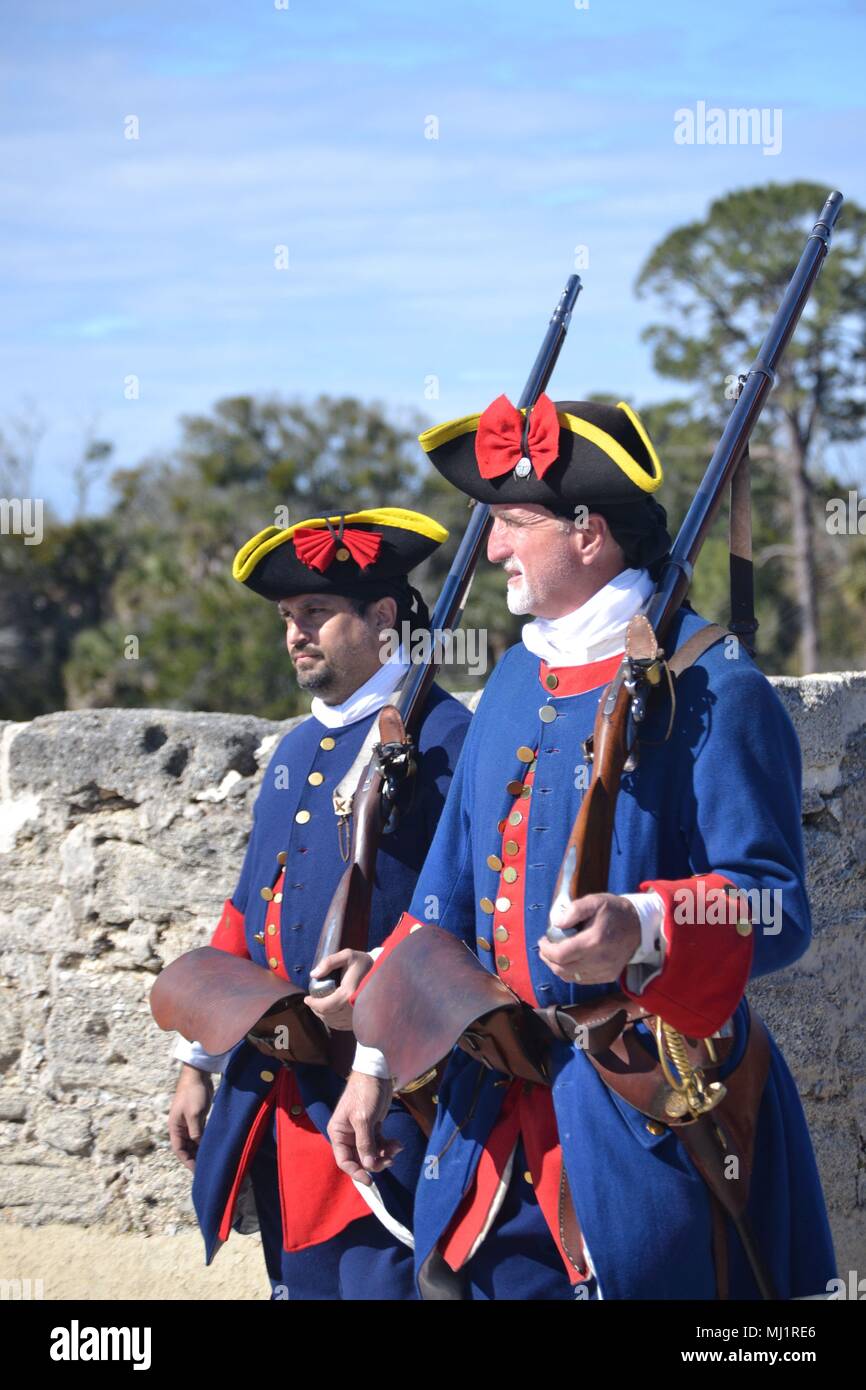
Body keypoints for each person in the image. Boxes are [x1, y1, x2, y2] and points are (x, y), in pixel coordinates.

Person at [310, 393, 837, 1300]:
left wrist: (641, 924)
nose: (498, 548)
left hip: (643, 1112)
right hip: (491, 1113)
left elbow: (774, 905)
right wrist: (375, 1055)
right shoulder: (515, 677)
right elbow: (442, 902)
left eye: (515, 523)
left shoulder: (716, 684)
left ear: (589, 532)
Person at [166, 506, 471, 1300]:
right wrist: (196, 1060)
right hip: (285, 1088)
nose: (296, 633)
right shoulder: (298, 748)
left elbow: (458, 917)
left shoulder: (444, 738)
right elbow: (246, 911)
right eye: (287, 618)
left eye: (316, 613)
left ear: (381, 619)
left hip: (394, 1090)